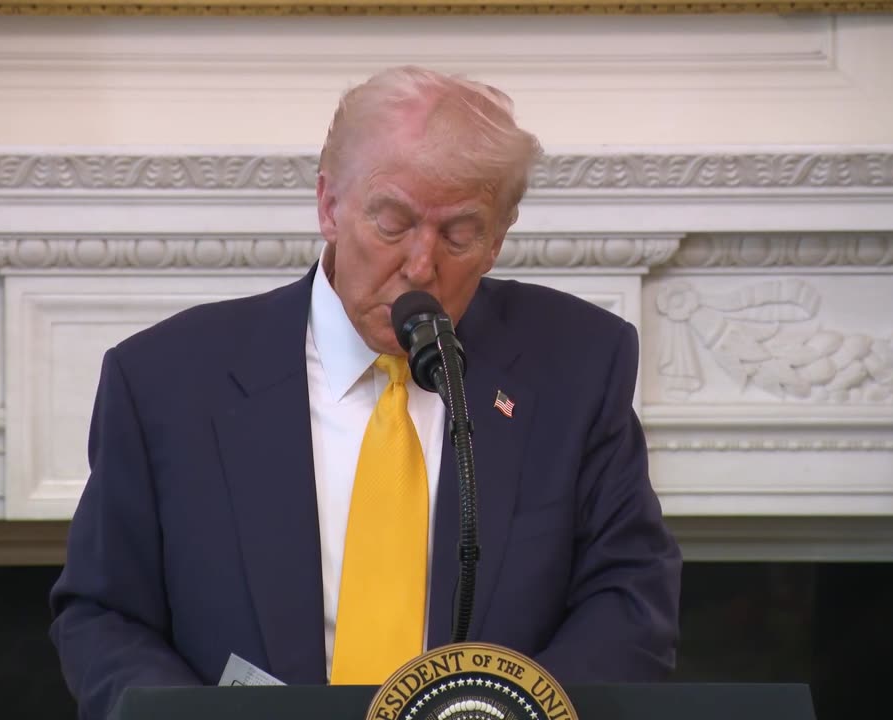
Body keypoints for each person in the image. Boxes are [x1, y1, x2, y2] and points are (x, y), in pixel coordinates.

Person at [49, 65, 682, 719]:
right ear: (329, 206)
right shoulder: (164, 380)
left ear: (497, 239)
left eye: (459, 234)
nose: (420, 264)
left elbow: (630, 596)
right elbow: (105, 614)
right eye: (392, 223)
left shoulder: (577, 364)